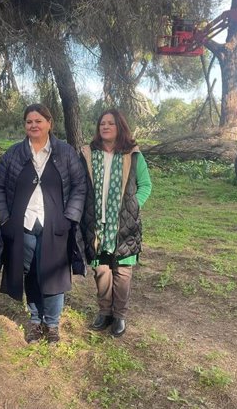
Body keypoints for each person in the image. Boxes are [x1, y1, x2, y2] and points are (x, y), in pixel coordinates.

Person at [0, 104, 86, 344]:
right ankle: (34, 319)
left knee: (54, 275)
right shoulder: (14, 154)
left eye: (38, 121)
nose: (34, 125)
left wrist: (69, 217)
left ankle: (51, 324)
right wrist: (4, 218)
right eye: (29, 121)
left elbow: (79, 185)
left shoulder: (64, 152)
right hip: (25, 224)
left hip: (57, 225)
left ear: (49, 123)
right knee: (30, 271)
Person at [80, 109, 152, 337]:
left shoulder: (133, 155)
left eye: (111, 123)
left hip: (124, 224)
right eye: (102, 123)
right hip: (96, 222)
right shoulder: (89, 154)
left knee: (122, 269)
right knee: (101, 268)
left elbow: (145, 186)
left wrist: (133, 206)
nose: (105, 127)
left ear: (120, 127)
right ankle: (105, 312)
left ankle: (120, 315)